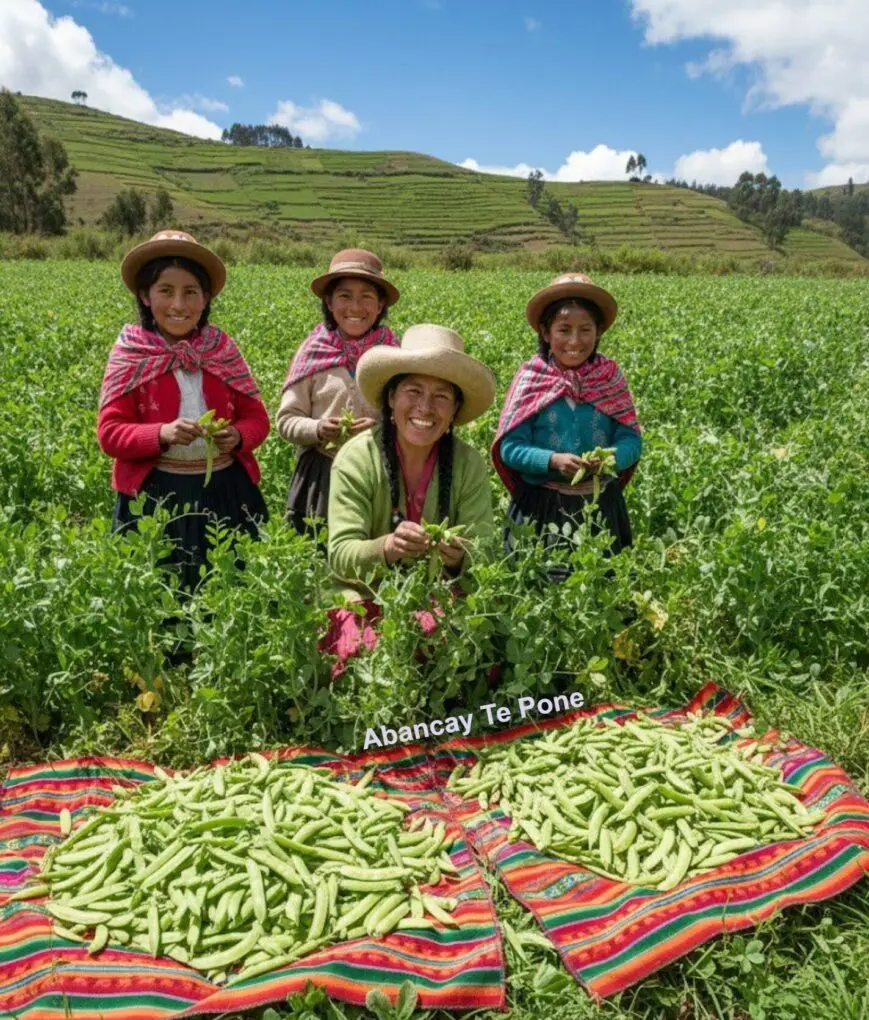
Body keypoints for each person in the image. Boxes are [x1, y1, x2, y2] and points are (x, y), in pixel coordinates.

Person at [97, 230, 270, 590]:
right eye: (165, 290)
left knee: (230, 591)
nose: (179, 304)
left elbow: (258, 418)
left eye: (191, 292)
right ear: (145, 296)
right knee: (168, 597)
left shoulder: (220, 349)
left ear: (206, 298)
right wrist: (162, 434)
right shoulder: (132, 353)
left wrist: (237, 435)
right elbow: (110, 433)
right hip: (156, 497)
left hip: (225, 492)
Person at [321, 324, 496, 675]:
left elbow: (486, 546)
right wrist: (387, 548)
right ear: (390, 398)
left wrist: (461, 555)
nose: (425, 407)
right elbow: (340, 556)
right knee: (363, 656)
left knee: (469, 655)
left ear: (455, 409)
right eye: (413, 391)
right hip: (363, 593)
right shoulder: (358, 458)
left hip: (438, 593)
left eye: (441, 396)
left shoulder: (467, 463)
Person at [492, 273, 641, 562]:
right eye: (564, 330)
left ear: (598, 332)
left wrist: (610, 458)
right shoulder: (531, 378)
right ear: (546, 333)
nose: (575, 340)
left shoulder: (609, 378)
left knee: (602, 587)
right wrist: (552, 460)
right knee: (537, 588)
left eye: (585, 329)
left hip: (601, 507)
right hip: (539, 507)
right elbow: (510, 448)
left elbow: (631, 440)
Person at [276, 249, 400, 535]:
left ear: (380, 304)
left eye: (367, 296)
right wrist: (319, 428)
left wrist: (383, 429)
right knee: (319, 555)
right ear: (329, 303)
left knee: (376, 555)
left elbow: (409, 417)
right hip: (322, 475)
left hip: (379, 472)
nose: (355, 307)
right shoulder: (313, 352)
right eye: (344, 296)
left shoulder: (394, 356)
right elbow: (286, 420)